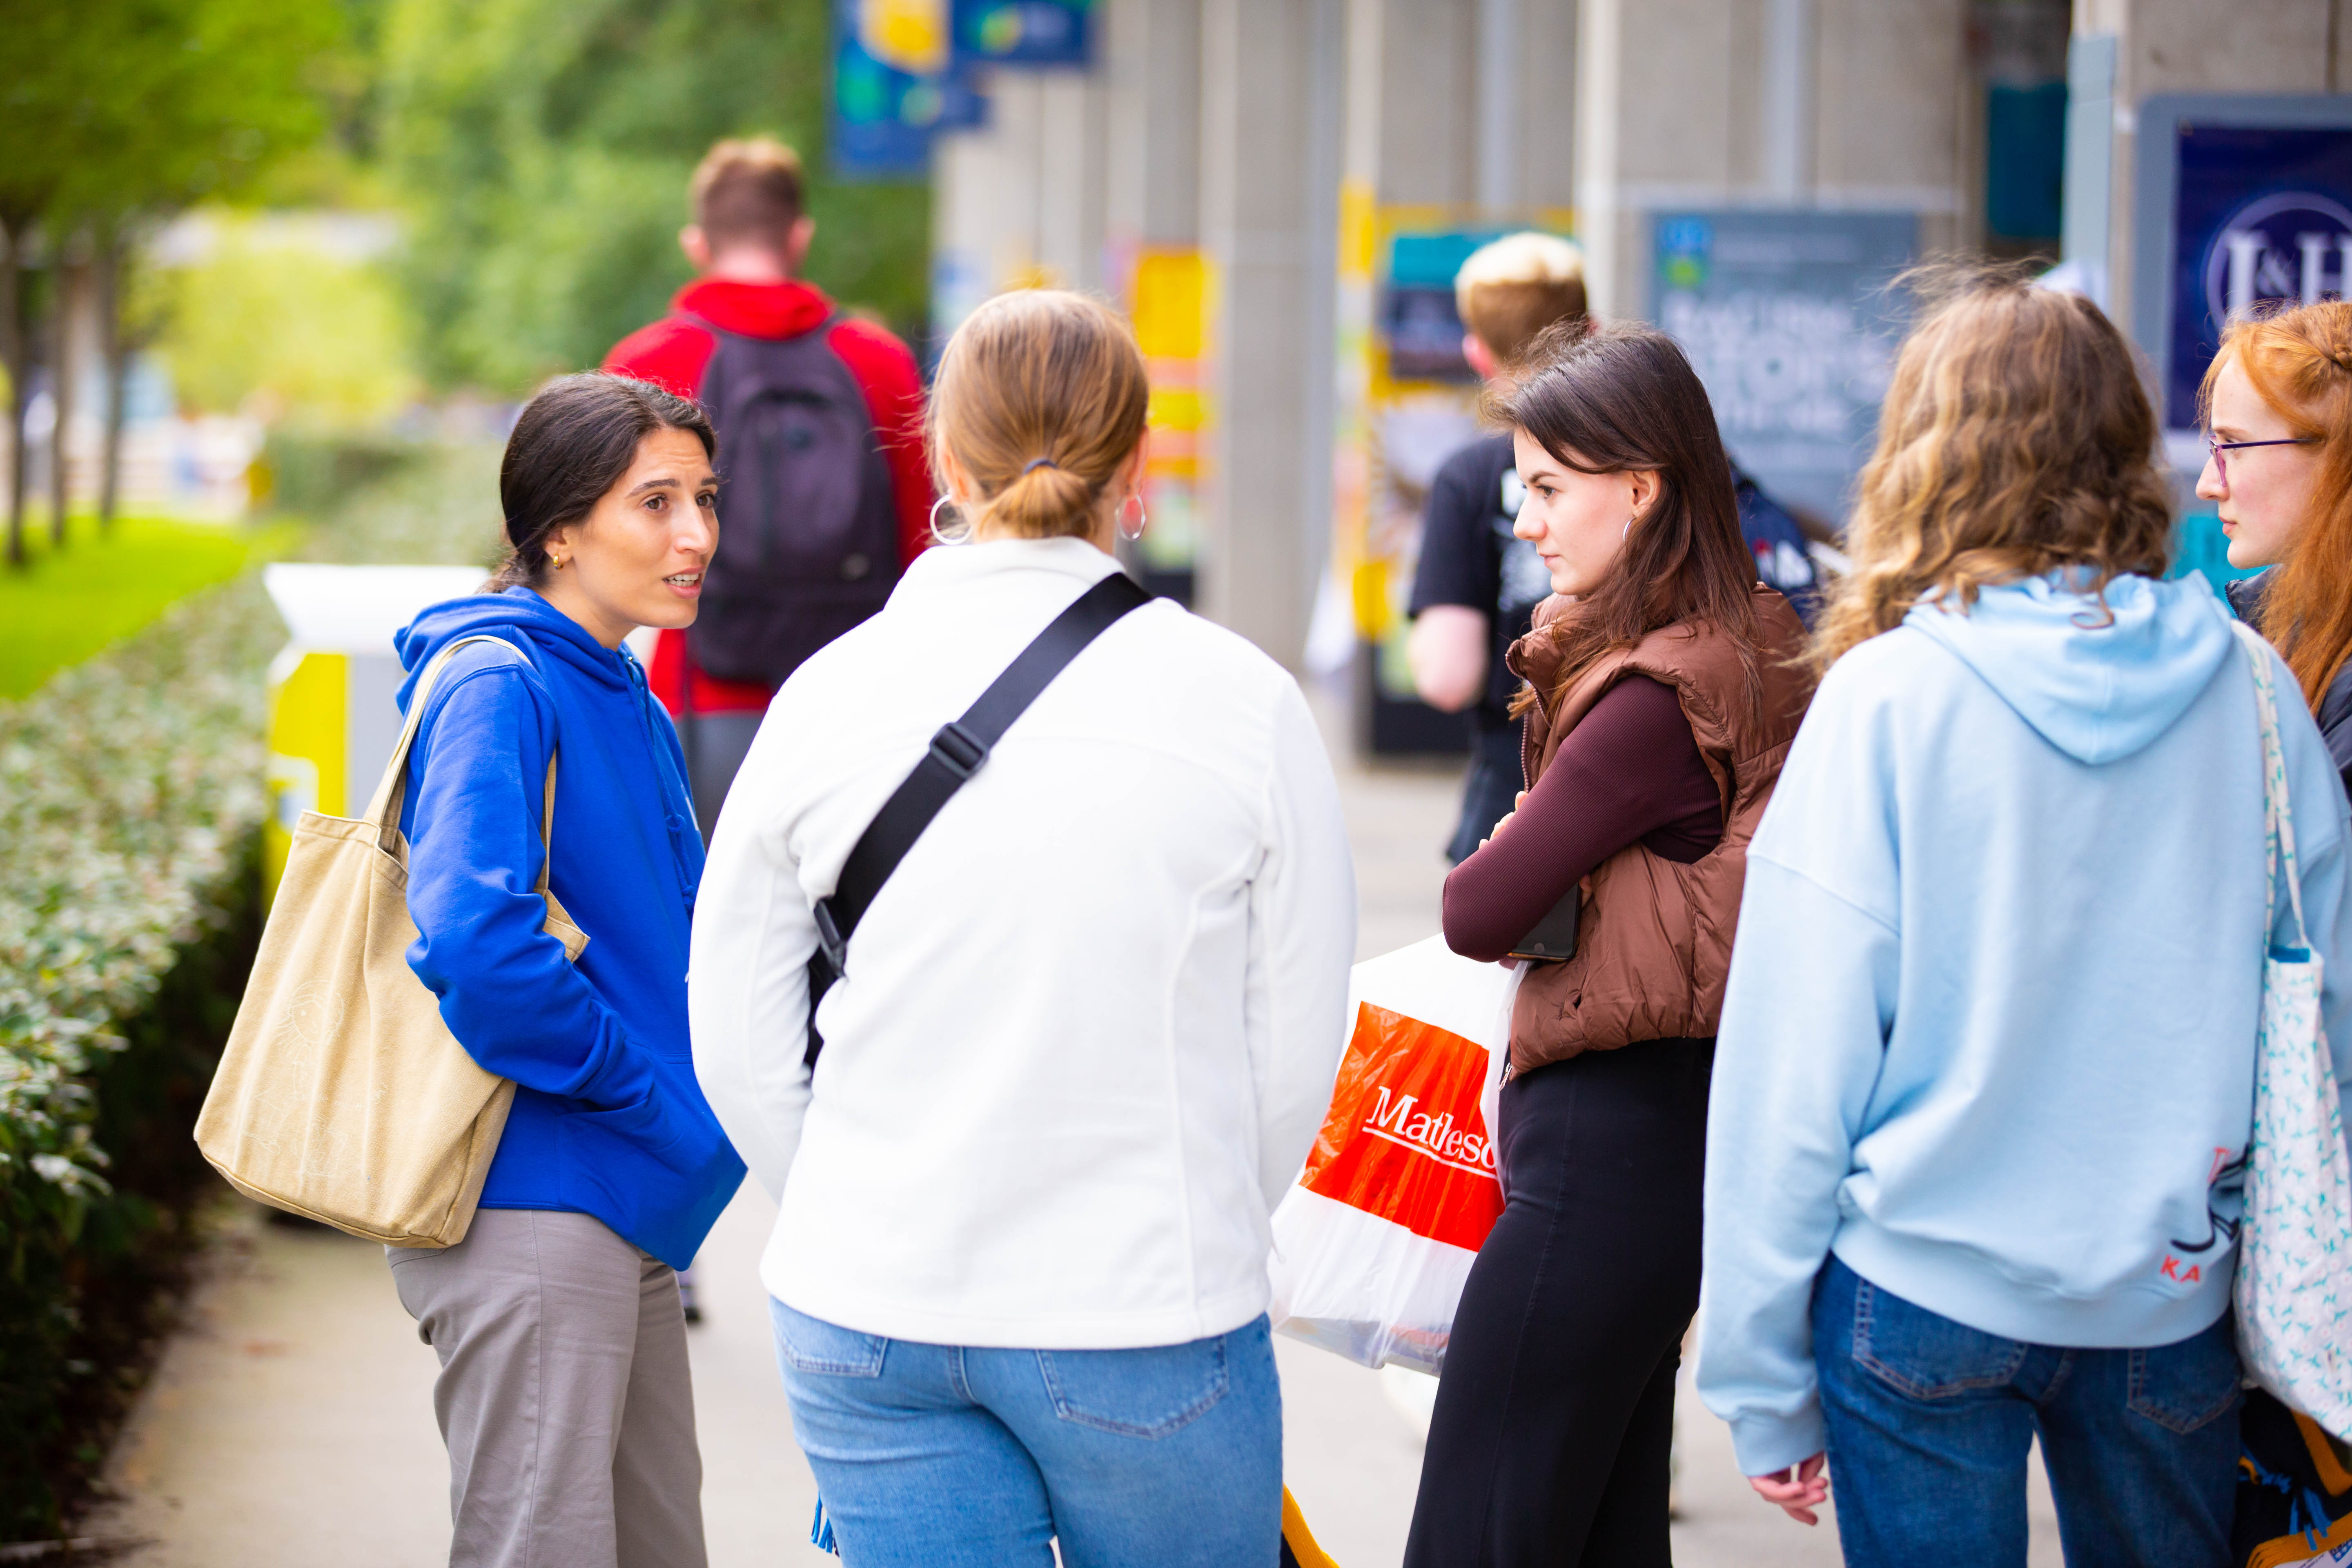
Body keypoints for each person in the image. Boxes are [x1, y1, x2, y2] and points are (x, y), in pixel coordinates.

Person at [687, 288, 1358, 1568]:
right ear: (1140, 462)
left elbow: (735, 1029)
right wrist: (1202, 1215)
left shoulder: (828, 693)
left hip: (863, 1303)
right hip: (1145, 1303)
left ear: (942, 453)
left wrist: (842, 1195)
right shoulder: (1243, 705)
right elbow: (1293, 1050)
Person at [1697, 271, 2352, 1568]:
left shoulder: (1886, 698)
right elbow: (2325, 1011)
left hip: (1919, 1286)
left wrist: (1758, 1370)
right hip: (2169, 1293)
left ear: (1929, 454)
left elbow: (1792, 1066)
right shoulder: (2254, 688)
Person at [1403, 321, 1814, 1566]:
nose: (1524, 518)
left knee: (1479, 1533)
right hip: (1673, 1155)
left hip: (1596, 1165)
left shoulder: (1649, 697)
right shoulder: (1752, 638)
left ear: (1638, 490)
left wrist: (1536, 827)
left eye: (1547, 487)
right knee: (1602, 1533)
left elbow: (1476, 909)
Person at [385, 372, 747, 1568]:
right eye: (655, 502)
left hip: (617, 1187)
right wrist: (646, 1093)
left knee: (654, 1542)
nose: (695, 532)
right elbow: (481, 950)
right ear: (556, 529)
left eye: (704, 497)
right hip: (532, 1193)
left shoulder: (616, 681)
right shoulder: (501, 680)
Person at [604, 136, 933, 836]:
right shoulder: (879, 362)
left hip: (696, 705)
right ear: (800, 237)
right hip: (857, 711)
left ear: (698, 243)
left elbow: (599, 554)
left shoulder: (648, 363)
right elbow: (921, 545)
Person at [1407, 232, 1588, 864]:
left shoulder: (1469, 476)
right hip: (1639, 797)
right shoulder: (1633, 465)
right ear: (1590, 331)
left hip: (1508, 799)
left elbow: (1446, 676)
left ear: (1476, 353)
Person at [2202, 300, 2352, 793]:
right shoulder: (2283, 622)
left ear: (2336, 457)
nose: (2209, 484)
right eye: (2212, 448)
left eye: (2233, 448)